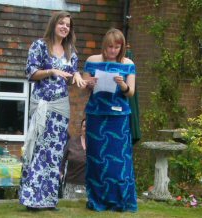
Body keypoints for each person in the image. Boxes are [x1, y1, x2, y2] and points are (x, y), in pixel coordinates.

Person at [19, 11, 86, 211]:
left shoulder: (70, 52)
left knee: (55, 152)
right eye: (61, 23)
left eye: (68, 25)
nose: (65, 27)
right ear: (54, 25)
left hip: (61, 107)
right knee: (39, 149)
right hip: (43, 106)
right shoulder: (39, 46)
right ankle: (32, 199)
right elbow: (30, 73)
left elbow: (70, 78)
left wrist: (78, 78)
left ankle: (48, 200)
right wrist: (51, 71)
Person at [83, 28, 138, 212]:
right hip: (96, 116)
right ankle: (97, 200)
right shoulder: (92, 61)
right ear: (104, 45)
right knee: (97, 159)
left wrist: (122, 84)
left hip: (118, 118)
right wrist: (89, 83)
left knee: (119, 161)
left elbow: (131, 92)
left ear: (121, 47)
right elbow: (84, 86)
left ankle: (120, 200)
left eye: (116, 47)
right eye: (109, 47)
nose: (112, 50)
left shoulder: (128, 63)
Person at [60, 118, 86, 199]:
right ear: (81, 128)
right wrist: (60, 173)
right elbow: (62, 160)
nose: (87, 129)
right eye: (85, 126)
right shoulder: (72, 142)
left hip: (89, 186)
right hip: (70, 185)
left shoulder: (96, 144)